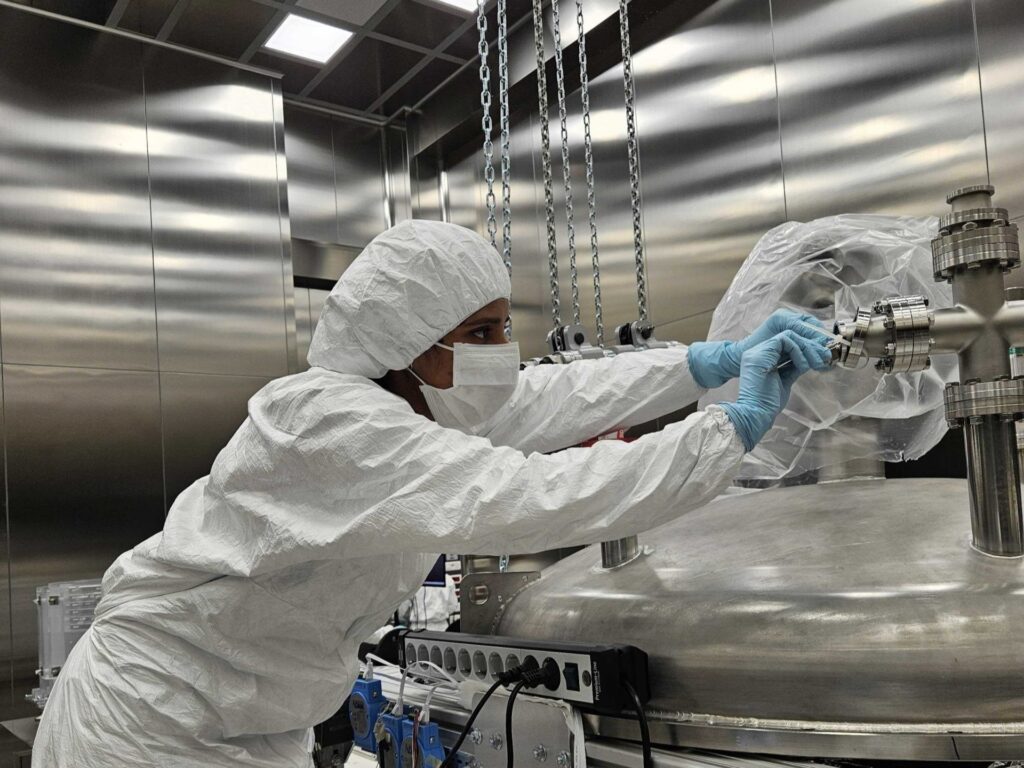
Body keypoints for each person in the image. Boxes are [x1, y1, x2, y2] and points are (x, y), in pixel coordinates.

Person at [32, 220, 831, 767]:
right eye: (481, 334)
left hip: (253, 719)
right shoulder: (331, 421)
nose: (503, 353)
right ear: (404, 342)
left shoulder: (427, 398)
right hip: (151, 720)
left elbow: (561, 396)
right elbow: (533, 494)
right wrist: (730, 427)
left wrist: (705, 364)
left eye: (502, 328)